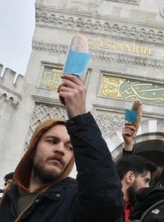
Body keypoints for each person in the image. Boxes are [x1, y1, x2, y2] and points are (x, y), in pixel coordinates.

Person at [0, 74, 123, 221]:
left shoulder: (74, 201)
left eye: (70, 147)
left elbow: (106, 200)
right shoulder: (7, 199)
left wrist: (80, 118)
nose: (60, 150)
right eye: (52, 141)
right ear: (33, 149)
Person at [116, 154, 156, 222]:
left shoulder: (139, 210)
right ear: (130, 177)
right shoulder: (106, 206)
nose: (148, 187)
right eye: (146, 180)